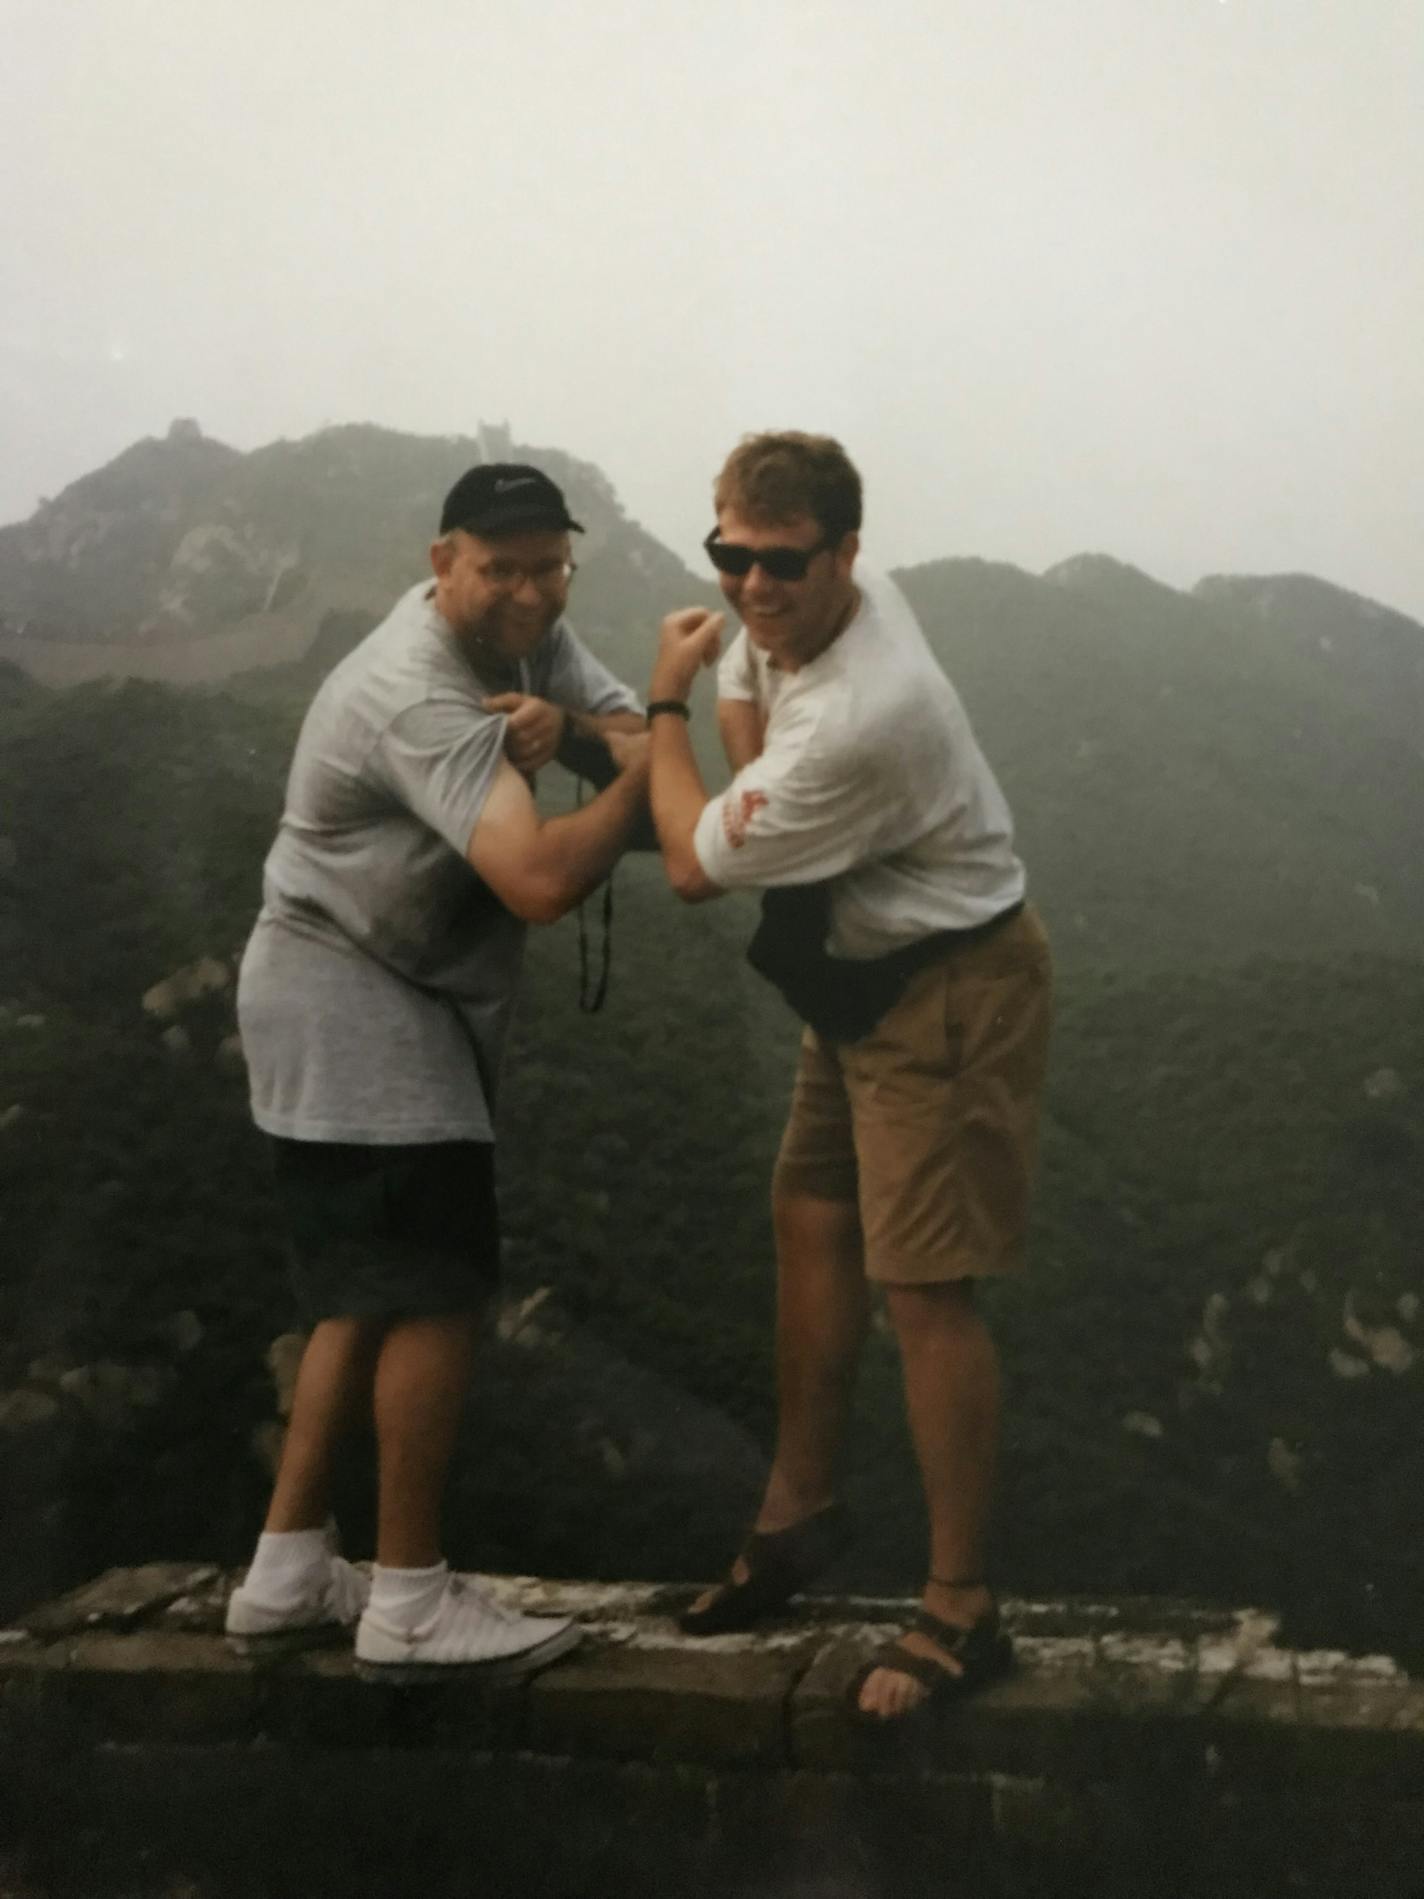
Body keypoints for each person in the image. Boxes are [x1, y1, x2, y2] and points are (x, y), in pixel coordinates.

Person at [645, 433, 1052, 1722]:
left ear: (844, 555)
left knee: (921, 1290)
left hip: (948, 991)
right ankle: (798, 1511)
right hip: (863, 981)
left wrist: (662, 703)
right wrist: (723, 705)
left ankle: (957, 1611)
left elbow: (694, 864)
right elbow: (755, 734)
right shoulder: (821, 610)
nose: (752, 588)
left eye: (781, 563)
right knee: (809, 1214)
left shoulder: (865, 714)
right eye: (730, 556)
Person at [225, 463, 649, 1681]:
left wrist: (574, 734)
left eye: (545, 566)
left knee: (359, 1291)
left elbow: (644, 756)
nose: (524, 590)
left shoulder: (535, 644)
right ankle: (409, 1599)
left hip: (363, 991)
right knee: (435, 1288)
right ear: (441, 562)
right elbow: (543, 877)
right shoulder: (413, 690)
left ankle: (286, 1573)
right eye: (497, 567)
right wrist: (628, 760)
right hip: (352, 991)